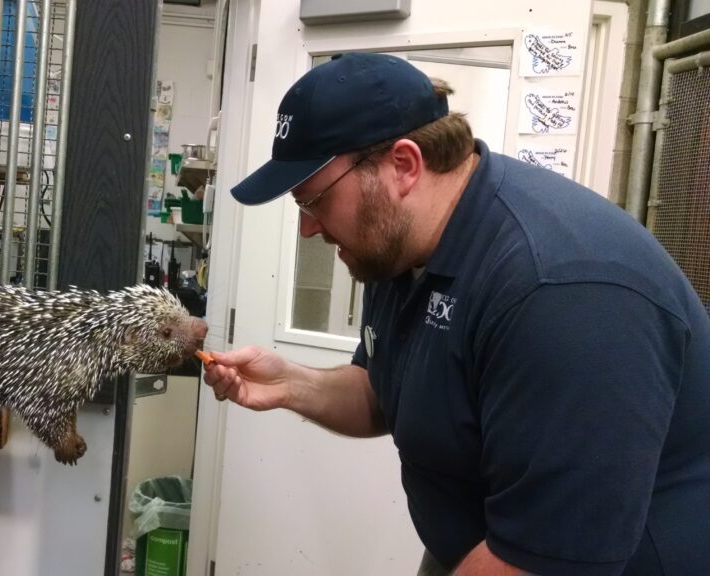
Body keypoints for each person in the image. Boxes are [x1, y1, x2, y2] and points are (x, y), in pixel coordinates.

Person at [203, 52, 710, 575]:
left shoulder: (564, 292)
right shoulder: (396, 249)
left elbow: (544, 559)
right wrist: (290, 383)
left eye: (314, 202)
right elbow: (382, 390)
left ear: (404, 165)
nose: (308, 228)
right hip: (478, 542)